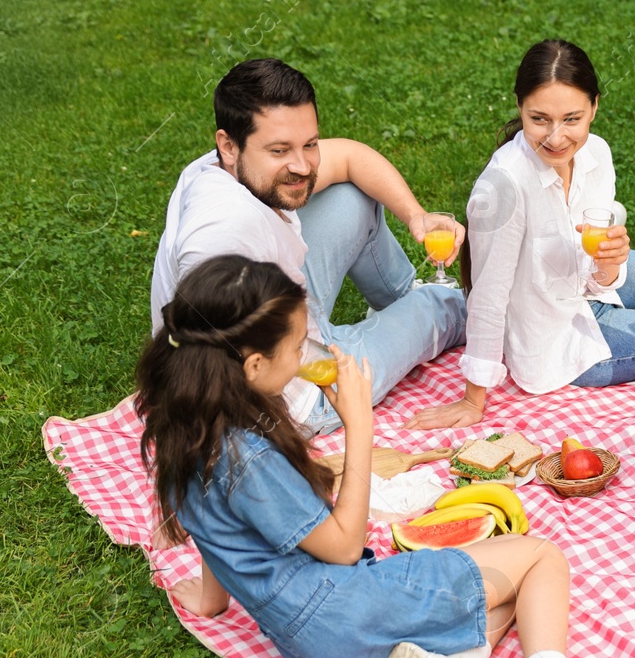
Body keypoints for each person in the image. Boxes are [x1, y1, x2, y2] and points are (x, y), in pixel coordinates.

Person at [137, 254, 635, 658]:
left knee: (494, 600)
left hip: (305, 644)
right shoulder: (248, 456)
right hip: (346, 609)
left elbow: (216, 532)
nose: (305, 358)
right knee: (541, 559)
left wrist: (211, 602)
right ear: (253, 365)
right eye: (297, 347)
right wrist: (359, 424)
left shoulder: (187, 432)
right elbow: (343, 549)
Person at [405, 39, 635, 429]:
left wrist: (610, 263)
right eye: (539, 120)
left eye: (572, 119)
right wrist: (472, 401)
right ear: (519, 107)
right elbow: (487, 296)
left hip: (598, 284)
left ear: (594, 107)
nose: (556, 138)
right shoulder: (501, 187)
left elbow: (600, 272)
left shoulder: (596, 155)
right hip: (561, 338)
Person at [151, 58, 466, 436]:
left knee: (352, 198)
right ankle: (430, 304)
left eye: (310, 144)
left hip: (285, 314)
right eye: (280, 151)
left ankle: (405, 297)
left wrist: (417, 216)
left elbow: (350, 158)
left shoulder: (230, 169)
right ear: (229, 145)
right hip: (294, 391)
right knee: (444, 309)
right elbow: (210, 369)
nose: (302, 166)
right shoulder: (220, 234)